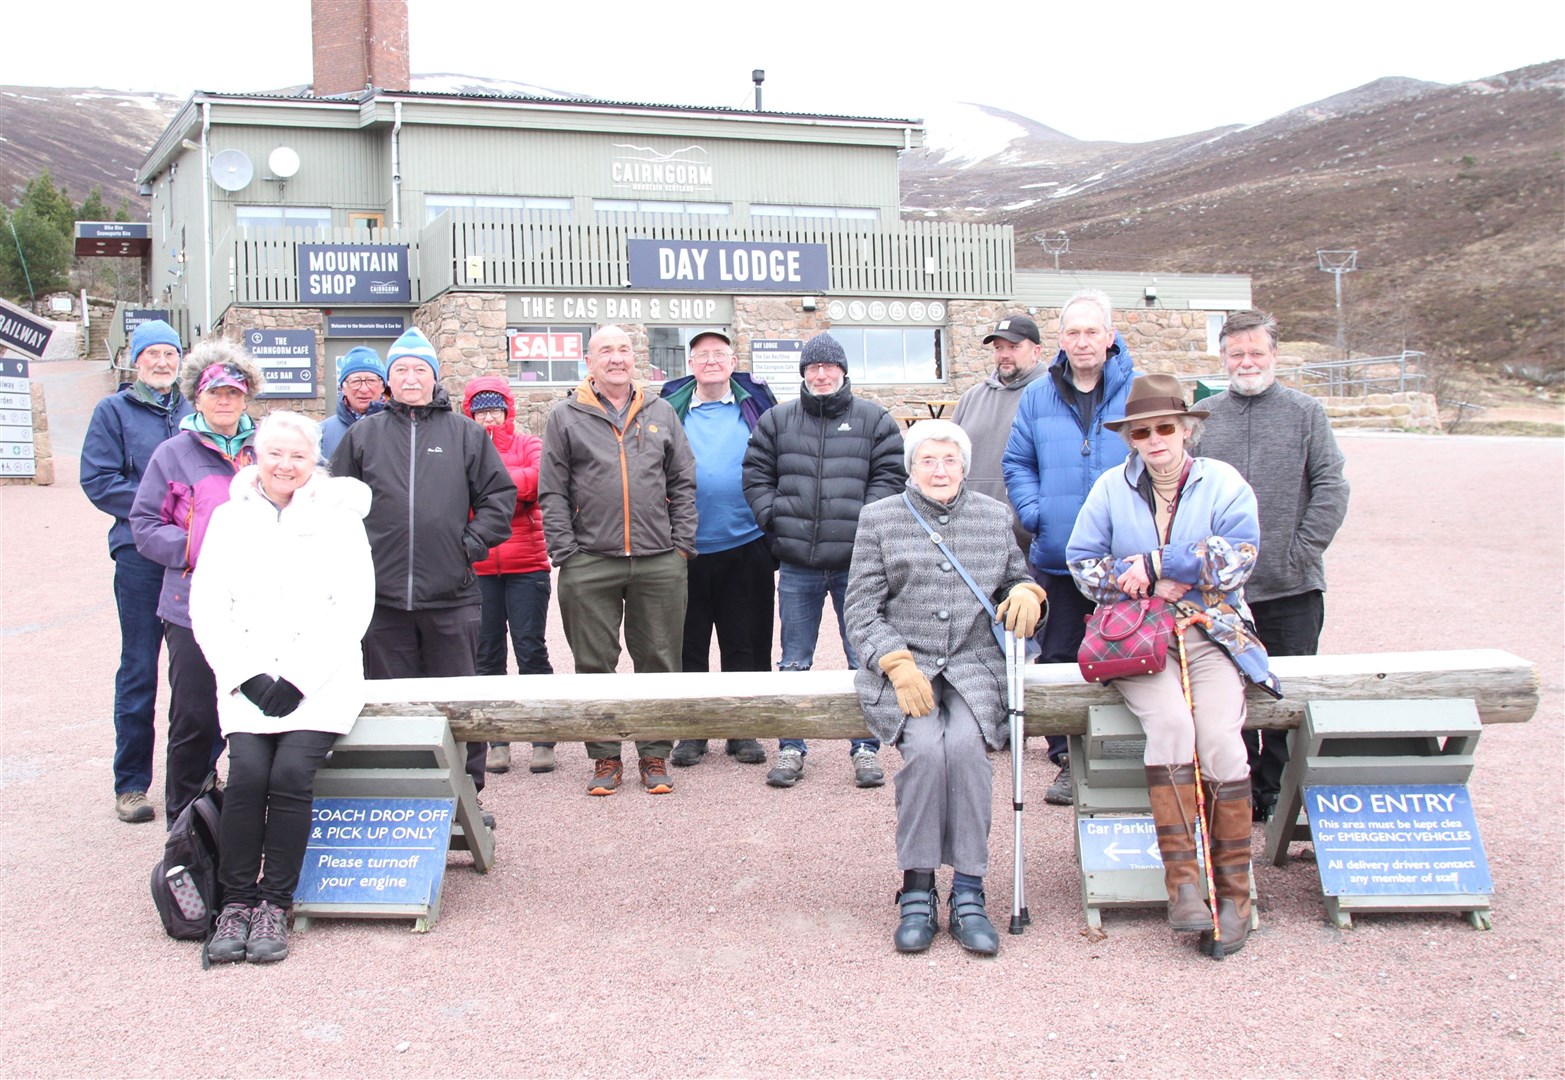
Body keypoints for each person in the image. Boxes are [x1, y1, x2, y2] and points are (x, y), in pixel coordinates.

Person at [1066, 374, 1280, 959]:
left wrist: (1156, 561)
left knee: (1221, 744)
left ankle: (1233, 894)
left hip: (1211, 631)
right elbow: (1082, 564)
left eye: (1165, 427)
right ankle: (1184, 884)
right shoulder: (1110, 488)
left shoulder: (1225, 482)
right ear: (1130, 437)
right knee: (1172, 728)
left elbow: (1239, 555)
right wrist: (1133, 578)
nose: (1155, 438)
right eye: (1143, 431)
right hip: (1141, 638)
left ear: (1186, 429)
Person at [846, 420, 1044, 955]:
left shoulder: (993, 515)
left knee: (967, 753)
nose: (939, 470)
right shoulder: (879, 519)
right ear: (911, 467)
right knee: (927, 754)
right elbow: (860, 609)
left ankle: (969, 892)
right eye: (928, 460)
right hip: (907, 669)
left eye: (949, 460)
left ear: (964, 465)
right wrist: (893, 660)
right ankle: (917, 888)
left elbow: (1012, 578)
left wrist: (1028, 592)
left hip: (975, 666)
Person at [189, 411, 375, 964]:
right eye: (275, 454)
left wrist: (297, 678)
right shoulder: (227, 518)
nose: (285, 465)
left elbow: (353, 605)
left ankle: (275, 903)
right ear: (255, 456)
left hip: (319, 682)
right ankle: (237, 902)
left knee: (291, 774)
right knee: (247, 775)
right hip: (247, 681)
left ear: (313, 461)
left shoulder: (340, 518)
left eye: (298, 456)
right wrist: (245, 674)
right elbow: (209, 605)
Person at [330, 328, 516, 814]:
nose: (410, 378)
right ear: (389, 381)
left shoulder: (465, 434)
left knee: (457, 707)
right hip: (383, 601)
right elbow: (334, 504)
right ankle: (402, 798)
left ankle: (465, 800)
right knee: (391, 707)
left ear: (434, 377)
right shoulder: (362, 436)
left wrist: (470, 545)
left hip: (451, 597)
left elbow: (499, 496)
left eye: (420, 369)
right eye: (401, 370)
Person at [1199, 309, 1349, 820]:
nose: (1246, 362)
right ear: (1222, 358)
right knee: (1228, 696)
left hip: (1291, 587)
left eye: (1255, 353)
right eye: (1236, 354)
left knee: (1288, 697)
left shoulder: (1307, 413)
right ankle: (1239, 794)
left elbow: (1331, 486)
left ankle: (1282, 795)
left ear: (1274, 355)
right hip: (1219, 595)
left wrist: (1301, 551)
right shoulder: (1205, 418)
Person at [742, 332, 906, 789]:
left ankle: (866, 748)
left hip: (858, 565)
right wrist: (773, 516)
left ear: (843, 370)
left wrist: (866, 523)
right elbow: (755, 473)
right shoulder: (777, 420)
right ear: (803, 373)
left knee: (864, 658)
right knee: (794, 661)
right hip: (797, 562)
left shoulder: (874, 420)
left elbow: (891, 475)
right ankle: (792, 746)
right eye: (813, 368)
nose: (820, 374)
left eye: (828, 367)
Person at [538, 324, 697, 795]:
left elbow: (683, 482)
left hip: (658, 559)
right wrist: (566, 551)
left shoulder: (661, 411)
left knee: (660, 661)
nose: (616, 358)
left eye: (624, 350)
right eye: (605, 350)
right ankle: (605, 758)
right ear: (589, 361)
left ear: (636, 359)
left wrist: (682, 545)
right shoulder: (565, 416)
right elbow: (552, 490)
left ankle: (654, 755)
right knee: (593, 664)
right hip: (589, 561)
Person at [1002, 290, 1137, 807]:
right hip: (1058, 553)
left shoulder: (1137, 390)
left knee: (1126, 651)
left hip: (1124, 559)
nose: (1082, 342)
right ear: (1060, 341)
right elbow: (1018, 461)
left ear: (1109, 336)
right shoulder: (1038, 395)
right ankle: (1064, 759)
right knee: (1059, 654)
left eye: (1091, 332)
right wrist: (1037, 515)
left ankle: (1119, 751)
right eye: (1073, 333)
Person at [129, 340, 264, 822]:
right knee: (195, 716)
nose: (225, 401)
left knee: (254, 712)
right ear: (198, 397)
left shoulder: (265, 450)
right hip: (191, 605)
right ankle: (184, 823)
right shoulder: (173, 453)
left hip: (258, 607)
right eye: (215, 392)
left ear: (247, 395)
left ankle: (245, 816)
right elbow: (145, 524)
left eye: (234, 391)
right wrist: (198, 551)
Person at [81, 319, 193, 823]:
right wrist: (160, 507)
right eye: (154, 354)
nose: (163, 363)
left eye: (171, 354)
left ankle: (198, 774)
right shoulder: (113, 411)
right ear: (136, 358)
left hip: (193, 559)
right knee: (140, 668)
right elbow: (99, 480)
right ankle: (131, 784)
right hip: (140, 556)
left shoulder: (196, 410)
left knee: (195, 670)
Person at [659, 330, 777, 768]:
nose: (711, 361)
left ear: (732, 361)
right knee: (687, 645)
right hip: (684, 547)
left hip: (747, 542)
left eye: (719, 354)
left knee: (744, 641)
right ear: (690, 364)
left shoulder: (757, 405)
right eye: (702, 354)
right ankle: (692, 730)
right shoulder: (668, 408)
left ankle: (743, 728)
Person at [461, 375, 555, 776]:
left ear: (508, 410)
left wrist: (488, 491)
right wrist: (505, 492)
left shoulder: (528, 443)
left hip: (526, 565)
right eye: (481, 411)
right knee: (487, 657)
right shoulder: (461, 446)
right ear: (471, 412)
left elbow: (538, 480)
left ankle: (542, 738)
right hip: (479, 567)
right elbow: (453, 494)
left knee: (531, 650)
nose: (489, 419)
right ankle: (495, 739)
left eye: (495, 409)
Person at [951, 314, 1049, 555]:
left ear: (1036, 351)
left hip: (1026, 543)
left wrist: (1029, 523)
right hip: (970, 538)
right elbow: (950, 458)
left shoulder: (1050, 395)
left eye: (1014, 347)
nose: (1004, 354)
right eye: (998, 348)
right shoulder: (971, 398)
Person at [317, 346, 386, 459]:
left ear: (383, 386)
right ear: (343, 388)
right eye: (355, 381)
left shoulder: (400, 428)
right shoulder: (323, 433)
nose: (364, 389)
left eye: (371, 381)